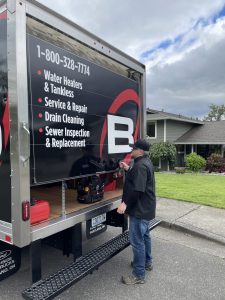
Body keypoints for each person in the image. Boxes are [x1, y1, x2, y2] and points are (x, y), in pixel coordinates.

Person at [117, 138, 156, 285]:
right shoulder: (145, 162)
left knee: (137, 241)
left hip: (140, 210)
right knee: (145, 237)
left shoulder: (140, 166)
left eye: (133, 148)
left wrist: (124, 204)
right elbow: (140, 180)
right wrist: (128, 169)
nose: (130, 150)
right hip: (147, 208)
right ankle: (147, 263)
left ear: (139, 151)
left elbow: (138, 189)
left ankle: (139, 275)